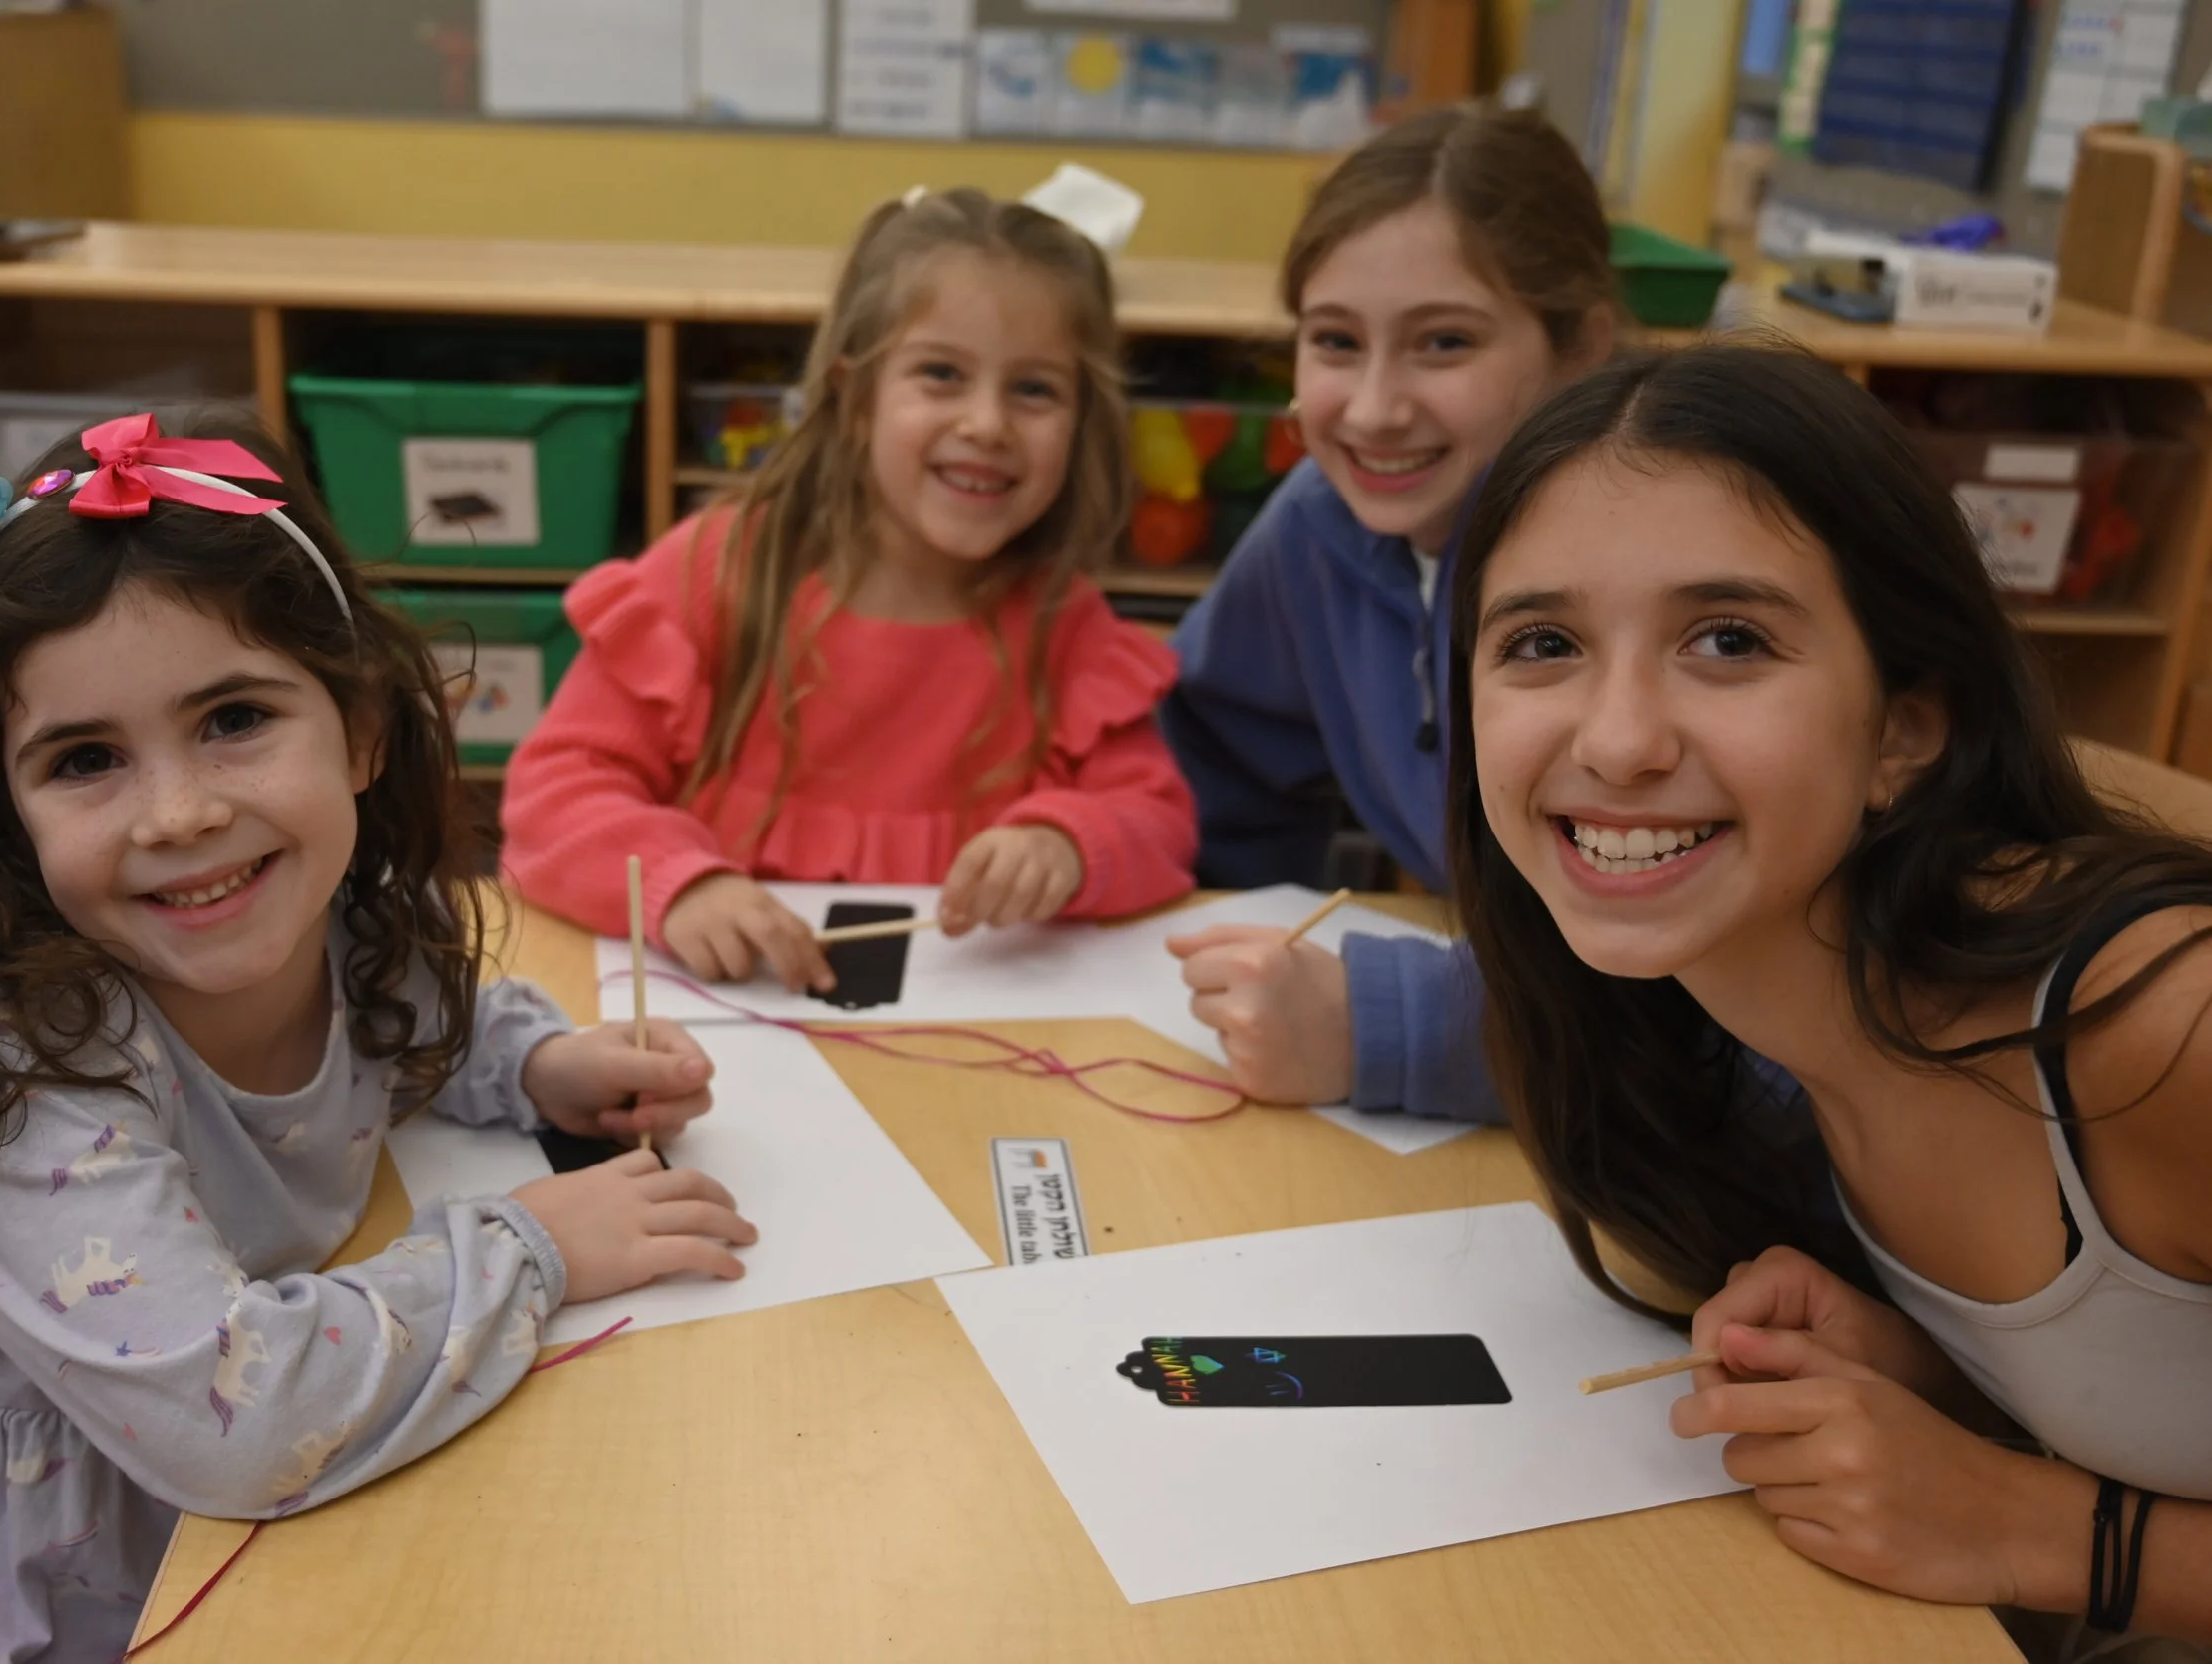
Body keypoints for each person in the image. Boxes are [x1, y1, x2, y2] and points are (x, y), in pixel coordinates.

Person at [0, 416, 757, 1661]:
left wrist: (532, 1063)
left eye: (234, 719)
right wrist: (531, 1248)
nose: (181, 813)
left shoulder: (341, 915)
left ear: (362, 728)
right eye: (87, 758)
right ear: (6, 803)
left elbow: (416, 1001)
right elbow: (240, 1418)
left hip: (180, 1517)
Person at [1449, 345, 2211, 1651]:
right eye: (1543, 643)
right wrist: (1943, 1376)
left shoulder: (2165, 1029)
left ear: (1904, 731)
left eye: (1729, 640)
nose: (1618, 738)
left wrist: (2034, 1522)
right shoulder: (1733, 1016)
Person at [500, 187, 1195, 995]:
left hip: (972, 1041)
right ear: (855, 397)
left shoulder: (1067, 629)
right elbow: (555, 795)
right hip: (730, 1022)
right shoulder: (713, 575)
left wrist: (1071, 844)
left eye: (1035, 389)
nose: (988, 423)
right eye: (941, 373)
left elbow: (1161, 825)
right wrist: (679, 881)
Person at [1161, 105, 1615, 1121]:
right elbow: (1215, 770)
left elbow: (1733, 1011)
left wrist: (1384, 1023)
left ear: (1580, 347)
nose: (1371, 408)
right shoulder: (1321, 523)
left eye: (1442, 342)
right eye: (1333, 341)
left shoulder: (1647, 574)